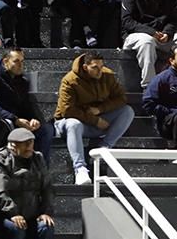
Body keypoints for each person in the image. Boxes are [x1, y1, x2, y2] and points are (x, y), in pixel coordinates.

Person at [53, 52, 135, 186]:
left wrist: (100, 110)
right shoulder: (70, 80)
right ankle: (80, 169)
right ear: (85, 67)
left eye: (101, 66)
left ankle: (103, 148)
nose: (100, 71)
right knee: (74, 124)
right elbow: (67, 110)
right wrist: (94, 120)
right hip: (68, 123)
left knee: (127, 111)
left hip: (97, 118)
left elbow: (121, 99)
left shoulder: (107, 75)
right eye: (95, 67)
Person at [0, 49, 53, 159]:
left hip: (18, 120)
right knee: (8, 125)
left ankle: (39, 168)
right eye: (16, 61)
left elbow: (26, 104)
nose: (20, 65)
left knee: (46, 129)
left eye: (22, 61)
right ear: (5, 61)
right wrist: (15, 119)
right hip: (0, 120)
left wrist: (34, 119)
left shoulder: (22, 80)